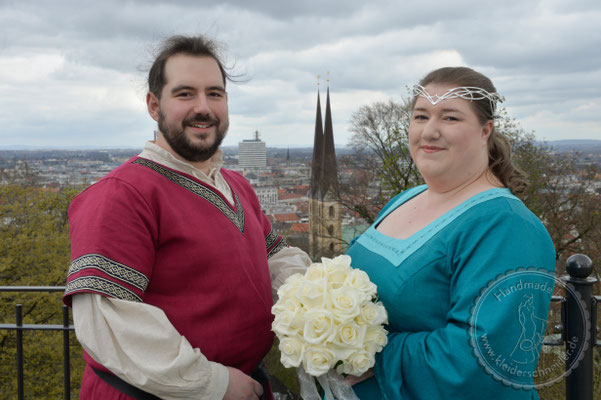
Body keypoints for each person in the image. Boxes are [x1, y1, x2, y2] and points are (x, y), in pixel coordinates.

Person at [62, 35, 311, 400]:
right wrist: (215, 383)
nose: (203, 107)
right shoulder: (123, 194)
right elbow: (110, 322)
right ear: (153, 105)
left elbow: (276, 263)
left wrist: (328, 304)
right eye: (184, 94)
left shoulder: (237, 186)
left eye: (214, 93)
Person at [345, 67, 556, 399]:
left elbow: (483, 362)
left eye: (450, 118)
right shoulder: (405, 198)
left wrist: (368, 352)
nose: (430, 131)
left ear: (486, 130)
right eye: (420, 116)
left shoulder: (507, 227)